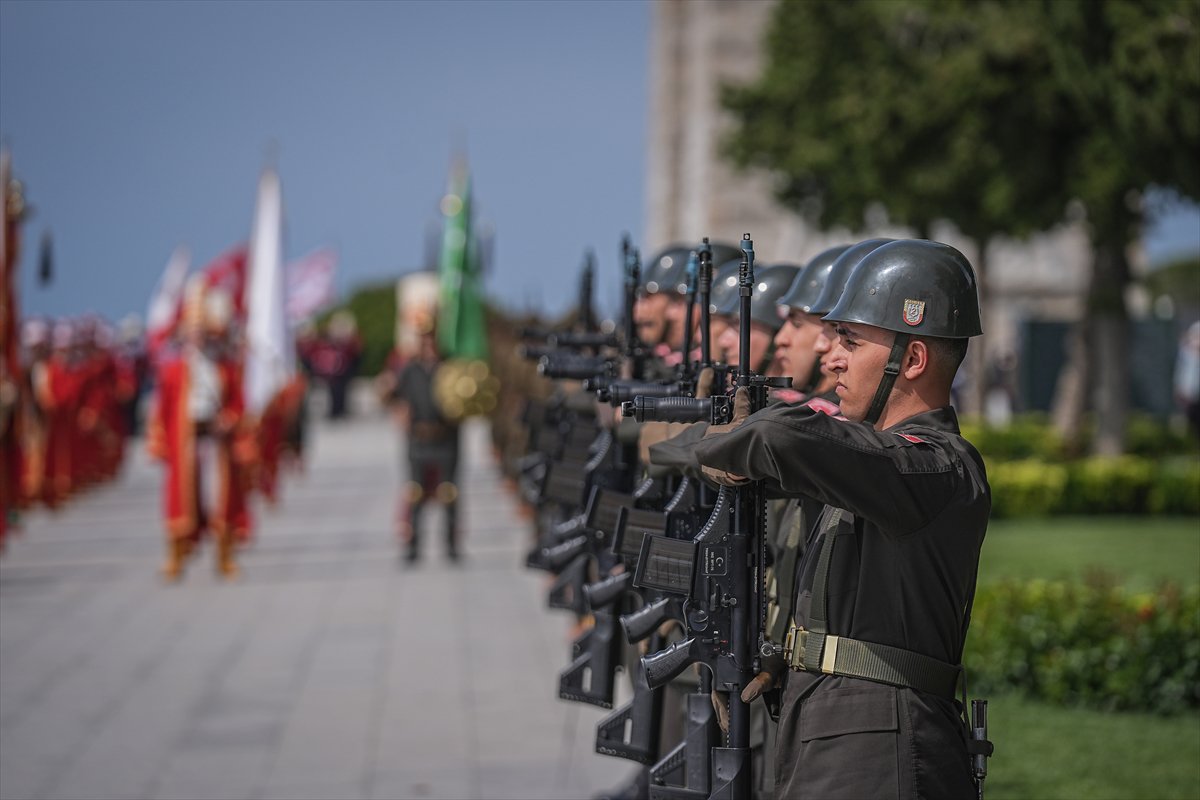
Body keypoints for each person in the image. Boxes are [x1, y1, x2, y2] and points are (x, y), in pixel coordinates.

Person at [686, 239, 989, 798]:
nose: (832, 358)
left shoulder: (935, 464)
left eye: (850, 341)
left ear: (913, 359)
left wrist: (729, 436)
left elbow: (783, 437)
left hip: (879, 741)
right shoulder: (869, 461)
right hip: (828, 721)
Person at [146, 280, 252, 581]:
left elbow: (237, 402)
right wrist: (160, 441)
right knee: (181, 500)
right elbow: (162, 408)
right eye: (194, 331)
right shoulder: (173, 369)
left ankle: (225, 557)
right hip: (186, 441)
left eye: (203, 331)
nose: (199, 337)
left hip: (216, 441)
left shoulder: (225, 367)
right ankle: (176, 558)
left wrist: (230, 420)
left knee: (221, 498)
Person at [384, 317, 462, 563]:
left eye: (431, 339)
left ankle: (450, 545)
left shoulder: (449, 369)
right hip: (418, 438)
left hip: (445, 437)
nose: (427, 344)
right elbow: (394, 396)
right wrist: (394, 403)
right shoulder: (409, 370)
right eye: (423, 339)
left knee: (449, 492)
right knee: (415, 492)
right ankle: (413, 546)